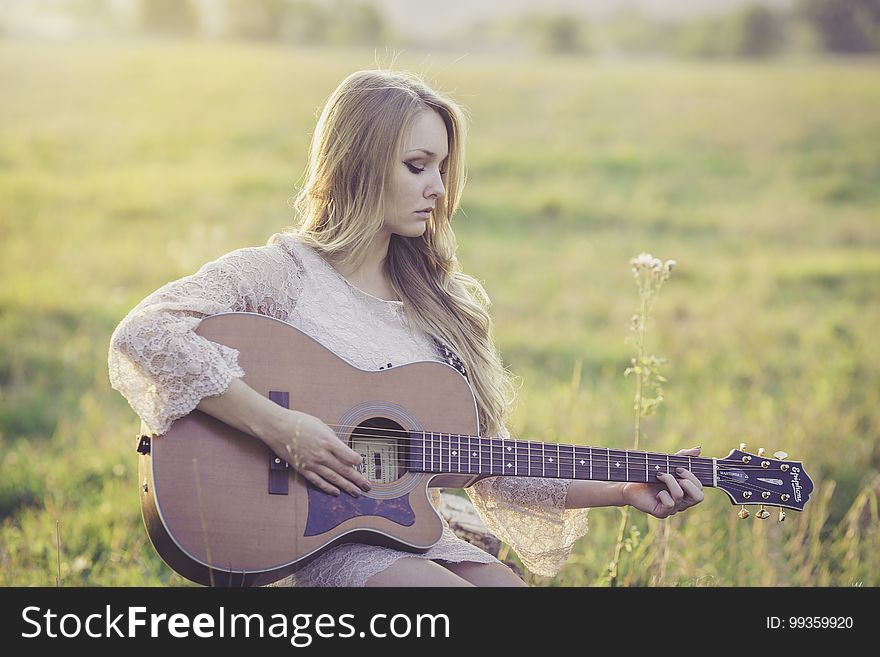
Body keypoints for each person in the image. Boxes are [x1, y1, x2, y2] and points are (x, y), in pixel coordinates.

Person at [108, 69, 704, 587]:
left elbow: (488, 467)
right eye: (418, 166)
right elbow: (145, 335)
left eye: (443, 168)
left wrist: (625, 487)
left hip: (400, 535)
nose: (439, 190)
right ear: (358, 165)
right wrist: (282, 428)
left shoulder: (441, 306)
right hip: (306, 545)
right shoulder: (279, 274)